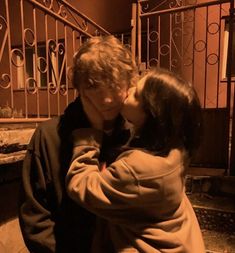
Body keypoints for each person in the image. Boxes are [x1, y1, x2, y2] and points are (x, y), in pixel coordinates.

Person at [66, 68, 205, 253]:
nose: (128, 91)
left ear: (152, 115)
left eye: (137, 94)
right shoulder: (174, 147)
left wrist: (90, 134)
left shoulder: (138, 169)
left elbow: (80, 185)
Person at [18, 35, 137, 253]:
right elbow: (35, 218)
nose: (107, 98)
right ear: (79, 87)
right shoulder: (48, 136)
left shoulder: (139, 136)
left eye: (115, 83)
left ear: (130, 83)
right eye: (93, 85)